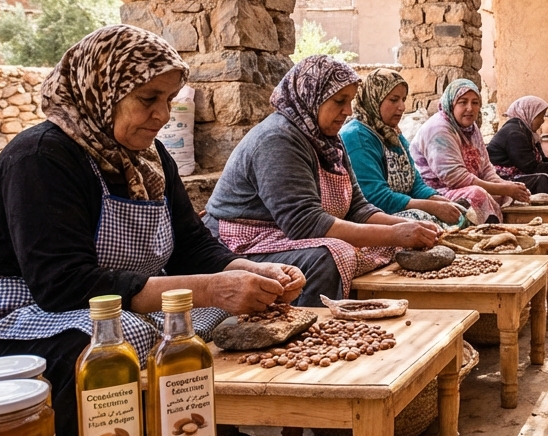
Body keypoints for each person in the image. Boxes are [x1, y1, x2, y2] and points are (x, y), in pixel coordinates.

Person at [0, 25, 305, 436]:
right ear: (102, 90)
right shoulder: (42, 158)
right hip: (4, 319)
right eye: (149, 98)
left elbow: (192, 246)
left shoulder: (150, 158)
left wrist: (250, 271)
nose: (163, 115)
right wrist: (210, 289)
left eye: (168, 99)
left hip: (98, 302)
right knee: (109, 344)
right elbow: (64, 284)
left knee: (207, 321)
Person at [205, 56, 442, 300]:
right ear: (312, 96)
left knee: (400, 232)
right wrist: (394, 234)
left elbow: (357, 208)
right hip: (242, 243)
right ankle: (312, 328)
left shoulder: (329, 139)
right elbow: (305, 224)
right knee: (329, 254)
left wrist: (407, 228)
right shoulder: (278, 139)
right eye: (340, 101)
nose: (348, 111)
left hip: (286, 235)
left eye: (350, 101)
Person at [340, 68, 465, 227]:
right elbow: (375, 198)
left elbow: (416, 185)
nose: (402, 107)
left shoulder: (392, 135)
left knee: (460, 214)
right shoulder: (357, 137)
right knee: (425, 222)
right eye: (394, 100)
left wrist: (439, 201)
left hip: (398, 208)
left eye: (403, 99)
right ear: (374, 99)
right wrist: (432, 207)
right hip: (373, 217)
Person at [411, 78, 531, 223]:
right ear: (451, 104)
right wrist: (504, 189)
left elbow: (486, 169)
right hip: (435, 193)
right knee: (477, 195)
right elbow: (457, 179)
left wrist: (508, 187)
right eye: (463, 102)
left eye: (475, 102)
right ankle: (485, 235)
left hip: (465, 186)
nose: (470, 108)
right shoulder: (438, 130)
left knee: (506, 192)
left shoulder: (471, 129)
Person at [487, 95, 548, 195]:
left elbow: (543, 160)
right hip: (503, 180)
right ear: (530, 113)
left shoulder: (528, 132)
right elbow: (530, 168)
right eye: (541, 116)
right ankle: (544, 207)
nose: (543, 120)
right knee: (542, 180)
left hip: (520, 173)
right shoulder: (514, 133)